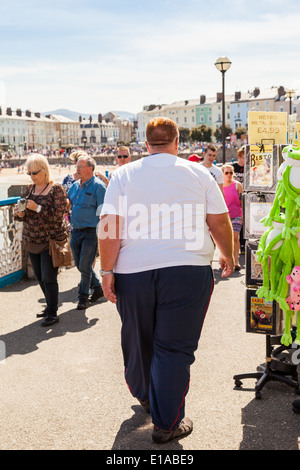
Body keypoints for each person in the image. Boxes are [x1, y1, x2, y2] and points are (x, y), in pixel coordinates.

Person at [98, 117, 234, 444]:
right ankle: (167, 423)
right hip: (186, 269)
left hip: (133, 271)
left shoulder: (123, 174)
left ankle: (147, 396)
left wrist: (107, 271)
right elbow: (218, 222)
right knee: (173, 347)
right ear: (176, 142)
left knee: (140, 338)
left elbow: (109, 226)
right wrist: (228, 254)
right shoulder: (199, 173)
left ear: (146, 145)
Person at [14, 154, 68, 326]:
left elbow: (58, 215)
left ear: (44, 171)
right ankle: (49, 305)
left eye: (35, 172)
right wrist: (20, 213)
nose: (32, 176)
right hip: (31, 240)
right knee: (39, 276)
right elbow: (21, 217)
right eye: (29, 173)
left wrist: (37, 207)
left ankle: (52, 312)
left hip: (49, 241)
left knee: (49, 277)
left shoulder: (56, 189)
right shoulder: (30, 189)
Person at [68, 155, 106, 309]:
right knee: (79, 264)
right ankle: (98, 288)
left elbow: (103, 212)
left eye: (80, 167)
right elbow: (68, 201)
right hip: (75, 231)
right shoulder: (75, 186)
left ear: (90, 168)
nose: (77, 170)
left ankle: (83, 297)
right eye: (76, 167)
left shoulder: (98, 187)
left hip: (91, 232)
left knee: (84, 264)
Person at [221, 164, 243, 270]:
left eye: (231, 172)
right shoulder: (219, 186)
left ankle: (236, 261)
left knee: (235, 237)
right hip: (224, 216)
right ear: (222, 174)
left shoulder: (237, 185)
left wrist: (243, 215)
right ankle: (225, 260)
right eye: (226, 173)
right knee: (224, 239)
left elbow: (242, 201)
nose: (229, 175)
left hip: (236, 215)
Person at [232, 147, 245, 253]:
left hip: (244, 197)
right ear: (240, 157)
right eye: (245, 157)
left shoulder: (249, 168)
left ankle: (243, 244)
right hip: (234, 197)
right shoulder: (233, 167)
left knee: (243, 220)